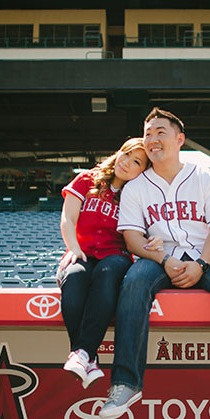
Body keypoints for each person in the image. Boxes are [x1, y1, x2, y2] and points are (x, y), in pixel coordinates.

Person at [98, 107, 210, 419]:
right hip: (158, 258)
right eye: (147, 133)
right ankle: (125, 383)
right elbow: (133, 239)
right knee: (134, 282)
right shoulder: (137, 186)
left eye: (160, 132)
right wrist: (164, 260)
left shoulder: (206, 176)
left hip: (203, 254)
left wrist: (203, 265)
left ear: (179, 139)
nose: (152, 139)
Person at [58, 137, 162, 389]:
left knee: (105, 274)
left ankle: (82, 354)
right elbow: (68, 219)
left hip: (115, 256)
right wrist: (74, 248)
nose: (126, 162)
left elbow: (144, 233)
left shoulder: (138, 196)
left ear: (143, 171)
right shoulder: (86, 180)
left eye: (136, 161)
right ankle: (87, 357)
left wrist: (156, 239)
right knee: (74, 280)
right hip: (81, 252)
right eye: (125, 154)